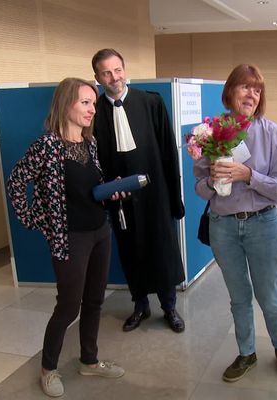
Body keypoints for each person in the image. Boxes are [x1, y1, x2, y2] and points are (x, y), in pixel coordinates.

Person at [7, 78, 125, 398]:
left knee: (95, 301)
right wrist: (34, 220)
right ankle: (48, 368)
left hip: (100, 230)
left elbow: (88, 191)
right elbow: (16, 183)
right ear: (66, 104)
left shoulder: (90, 143)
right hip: (70, 238)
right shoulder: (47, 146)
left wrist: (110, 192)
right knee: (69, 306)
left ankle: (89, 360)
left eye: (93, 103)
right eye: (84, 102)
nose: (91, 109)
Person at [193, 64, 277, 382]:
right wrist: (212, 180)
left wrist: (249, 175)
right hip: (223, 225)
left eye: (257, 89)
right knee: (238, 296)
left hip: (262, 224)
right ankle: (246, 352)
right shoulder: (208, 132)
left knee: (268, 295)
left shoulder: (271, 132)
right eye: (245, 87)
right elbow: (198, 187)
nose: (252, 94)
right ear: (230, 91)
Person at [91, 49, 186, 333]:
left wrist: (174, 198)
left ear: (124, 69)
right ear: (97, 77)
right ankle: (140, 306)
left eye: (117, 70)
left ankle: (169, 307)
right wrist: (108, 192)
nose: (114, 77)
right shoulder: (94, 113)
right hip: (121, 200)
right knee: (131, 251)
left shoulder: (151, 103)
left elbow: (169, 152)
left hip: (156, 195)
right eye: (106, 73)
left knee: (162, 249)